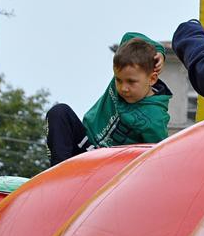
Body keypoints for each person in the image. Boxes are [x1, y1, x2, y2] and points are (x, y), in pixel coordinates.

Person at [45, 33, 172, 166]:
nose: (124, 88)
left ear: (152, 79)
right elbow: (129, 36)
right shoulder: (124, 73)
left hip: (108, 167)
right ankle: (59, 173)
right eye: (118, 80)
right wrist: (160, 52)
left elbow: (159, 158)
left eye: (131, 82)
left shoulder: (155, 117)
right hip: (85, 146)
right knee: (59, 112)